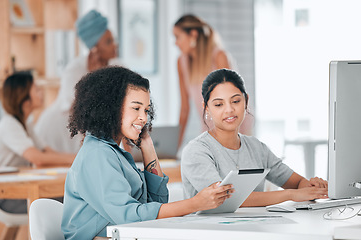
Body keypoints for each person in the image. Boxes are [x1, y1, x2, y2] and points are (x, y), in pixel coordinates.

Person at [61, 66, 234, 239]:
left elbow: (157, 203)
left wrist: (148, 147)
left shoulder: (115, 152)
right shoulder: (97, 155)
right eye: (136, 108)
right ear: (111, 107)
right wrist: (196, 203)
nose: (144, 118)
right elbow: (130, 218)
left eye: (146, 110)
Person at [181, 68, 328, 207]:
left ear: (246, 101)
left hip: (253, 228)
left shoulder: (257, 148)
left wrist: (312, 186)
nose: (229, 110)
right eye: (219, 104)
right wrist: (289, 195)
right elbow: (224, 198)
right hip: (207, 230)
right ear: (206, 107)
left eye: (236, 101)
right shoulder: (196, 151)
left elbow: (297, 183)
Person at [0, 71, 75, 213]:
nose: (41, 93)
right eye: (37, 89)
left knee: (70, 199)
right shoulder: (9, 124)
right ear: (24, 96)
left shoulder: (26, 125)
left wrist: (75, 159)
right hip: (5, 195)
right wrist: (76, 158)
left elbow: (46, 151)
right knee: (70, 202)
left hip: (19, 189)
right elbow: (37, 158)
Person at [35, 9, 118, 153]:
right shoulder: (74, 69)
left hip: (87, 132)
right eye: (108, 42)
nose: (114, 45)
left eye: (113, 40)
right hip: (59, 129)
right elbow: (76, 106)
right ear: (95, 48)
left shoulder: (118, 67)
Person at [173, 14, 253, 148]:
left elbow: (231, 99)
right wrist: (174, 147)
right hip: (209, 125)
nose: (176, 43)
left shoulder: (219, 57)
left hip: (234, 123)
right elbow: (185, 109)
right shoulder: (181, 63)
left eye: (178, 37)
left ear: (193, 34)